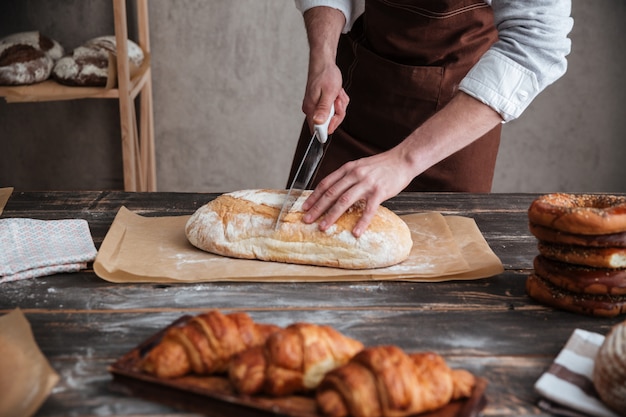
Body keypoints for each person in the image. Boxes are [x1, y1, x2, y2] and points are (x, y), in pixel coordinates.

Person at [289, 0, 573, 237]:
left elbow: (536, 43)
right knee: (298, 238)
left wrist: (405, 160)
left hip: (457, 119)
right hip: (357, 95)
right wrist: (323, 58)